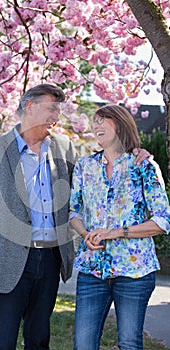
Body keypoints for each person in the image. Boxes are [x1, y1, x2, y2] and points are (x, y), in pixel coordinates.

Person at [0, 86, 149, 350]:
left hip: (50, 259)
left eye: (59, 110)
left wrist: (133, 154)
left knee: (39, 340)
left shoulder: (64, 147)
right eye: (51, 109)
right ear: (30, 107)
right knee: (2, 342)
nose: (56, 116)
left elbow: (93, 176)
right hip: (7, 259)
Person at [69, 104, 170, 350]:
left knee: (129, 342)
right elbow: (74, 211)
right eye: (95, 121)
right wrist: (85, 234)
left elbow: (162, 221)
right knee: (83, 343)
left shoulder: (144, 166)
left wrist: (116, 233)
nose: (96, 125)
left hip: (135, 271)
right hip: (92, 270)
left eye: (103, 119)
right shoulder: (85, 166)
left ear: (121, 124)